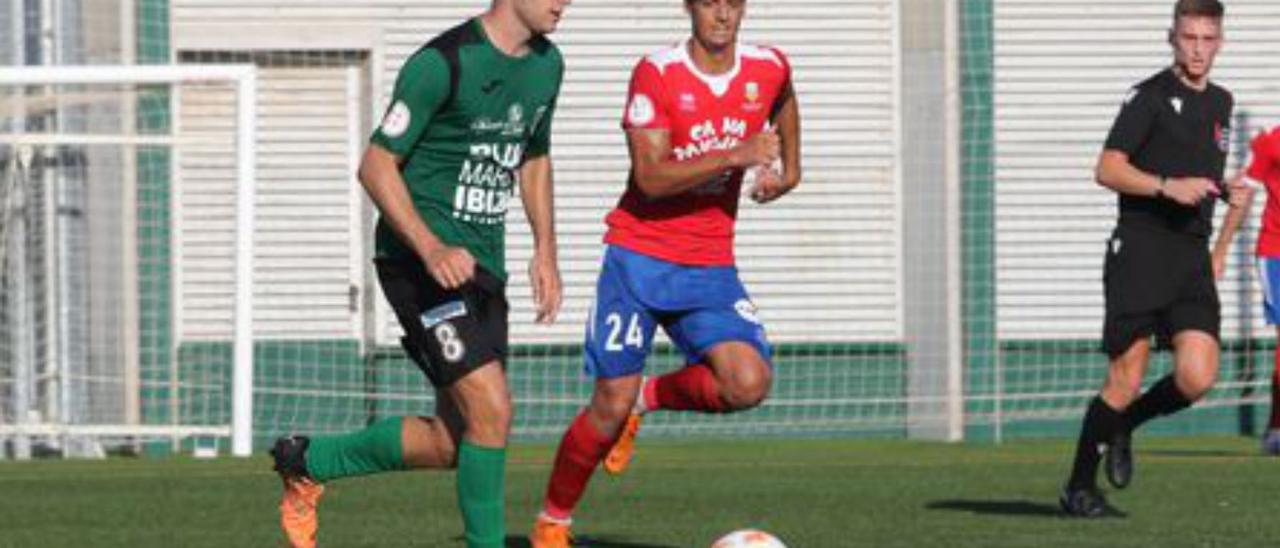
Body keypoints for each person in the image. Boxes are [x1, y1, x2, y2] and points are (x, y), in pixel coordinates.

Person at [268, 0, 571, 546]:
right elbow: (376, 165)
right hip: (417, 261)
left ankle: (307, 460)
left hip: (482, 268)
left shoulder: (548, 65)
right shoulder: (441, 63)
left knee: (455, 442)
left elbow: (534, 156)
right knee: (493, 408)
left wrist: (545, 248)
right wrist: (431, 248)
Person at [527, 0, 801, 545]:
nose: (722, 14)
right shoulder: (657, 73)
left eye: (733, 3)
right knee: (608, 403)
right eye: (709, 3)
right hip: (639, 259)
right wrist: (737, 153)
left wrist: (790, 171)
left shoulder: (768, 66)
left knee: (748, 382)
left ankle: (647, 400)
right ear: (689, 8)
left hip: (710, 263)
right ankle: (551, 524)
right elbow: (650, 178)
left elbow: (784, 101)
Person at [1059, 0, 1254, 517]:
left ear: (1220, 42)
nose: (1197, 48)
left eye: (1207, 38)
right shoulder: (1147, 98)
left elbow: (1202, 181)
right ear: (1172, 37)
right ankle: (1079, 486)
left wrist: (1225, 214)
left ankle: (1125, 425)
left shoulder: (1222, 103)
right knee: (1126, 376)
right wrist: (1165, 187)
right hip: (1141, 251)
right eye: (1188, 37)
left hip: (1190, 258)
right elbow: (1106, 169)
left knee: (1198, 375)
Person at [1246, 126, 1280, 455]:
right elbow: (1245, 190)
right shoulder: (1271, 142)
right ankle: (1276, 428)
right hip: (1276, 253)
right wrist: (1222, 247)